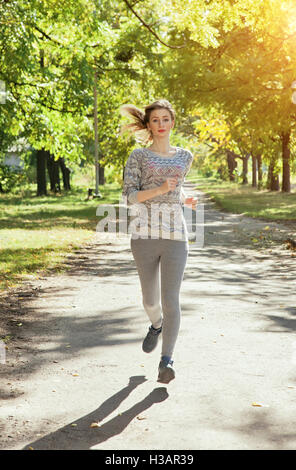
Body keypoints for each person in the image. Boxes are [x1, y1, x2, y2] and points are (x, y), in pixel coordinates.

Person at [120, 99, 197, 384]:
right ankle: (156, 324)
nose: (161, 125)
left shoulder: (185, 156)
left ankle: (167, 361)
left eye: (166, 119)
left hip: (176, 235)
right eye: (156, 120)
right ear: (148, 125)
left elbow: (178, 189)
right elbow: (130, 196)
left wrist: (185, 198)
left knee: (170, 300)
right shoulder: (137, 156)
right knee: (150, 300)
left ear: (172, 122)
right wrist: (161, 188)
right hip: (144, 235)